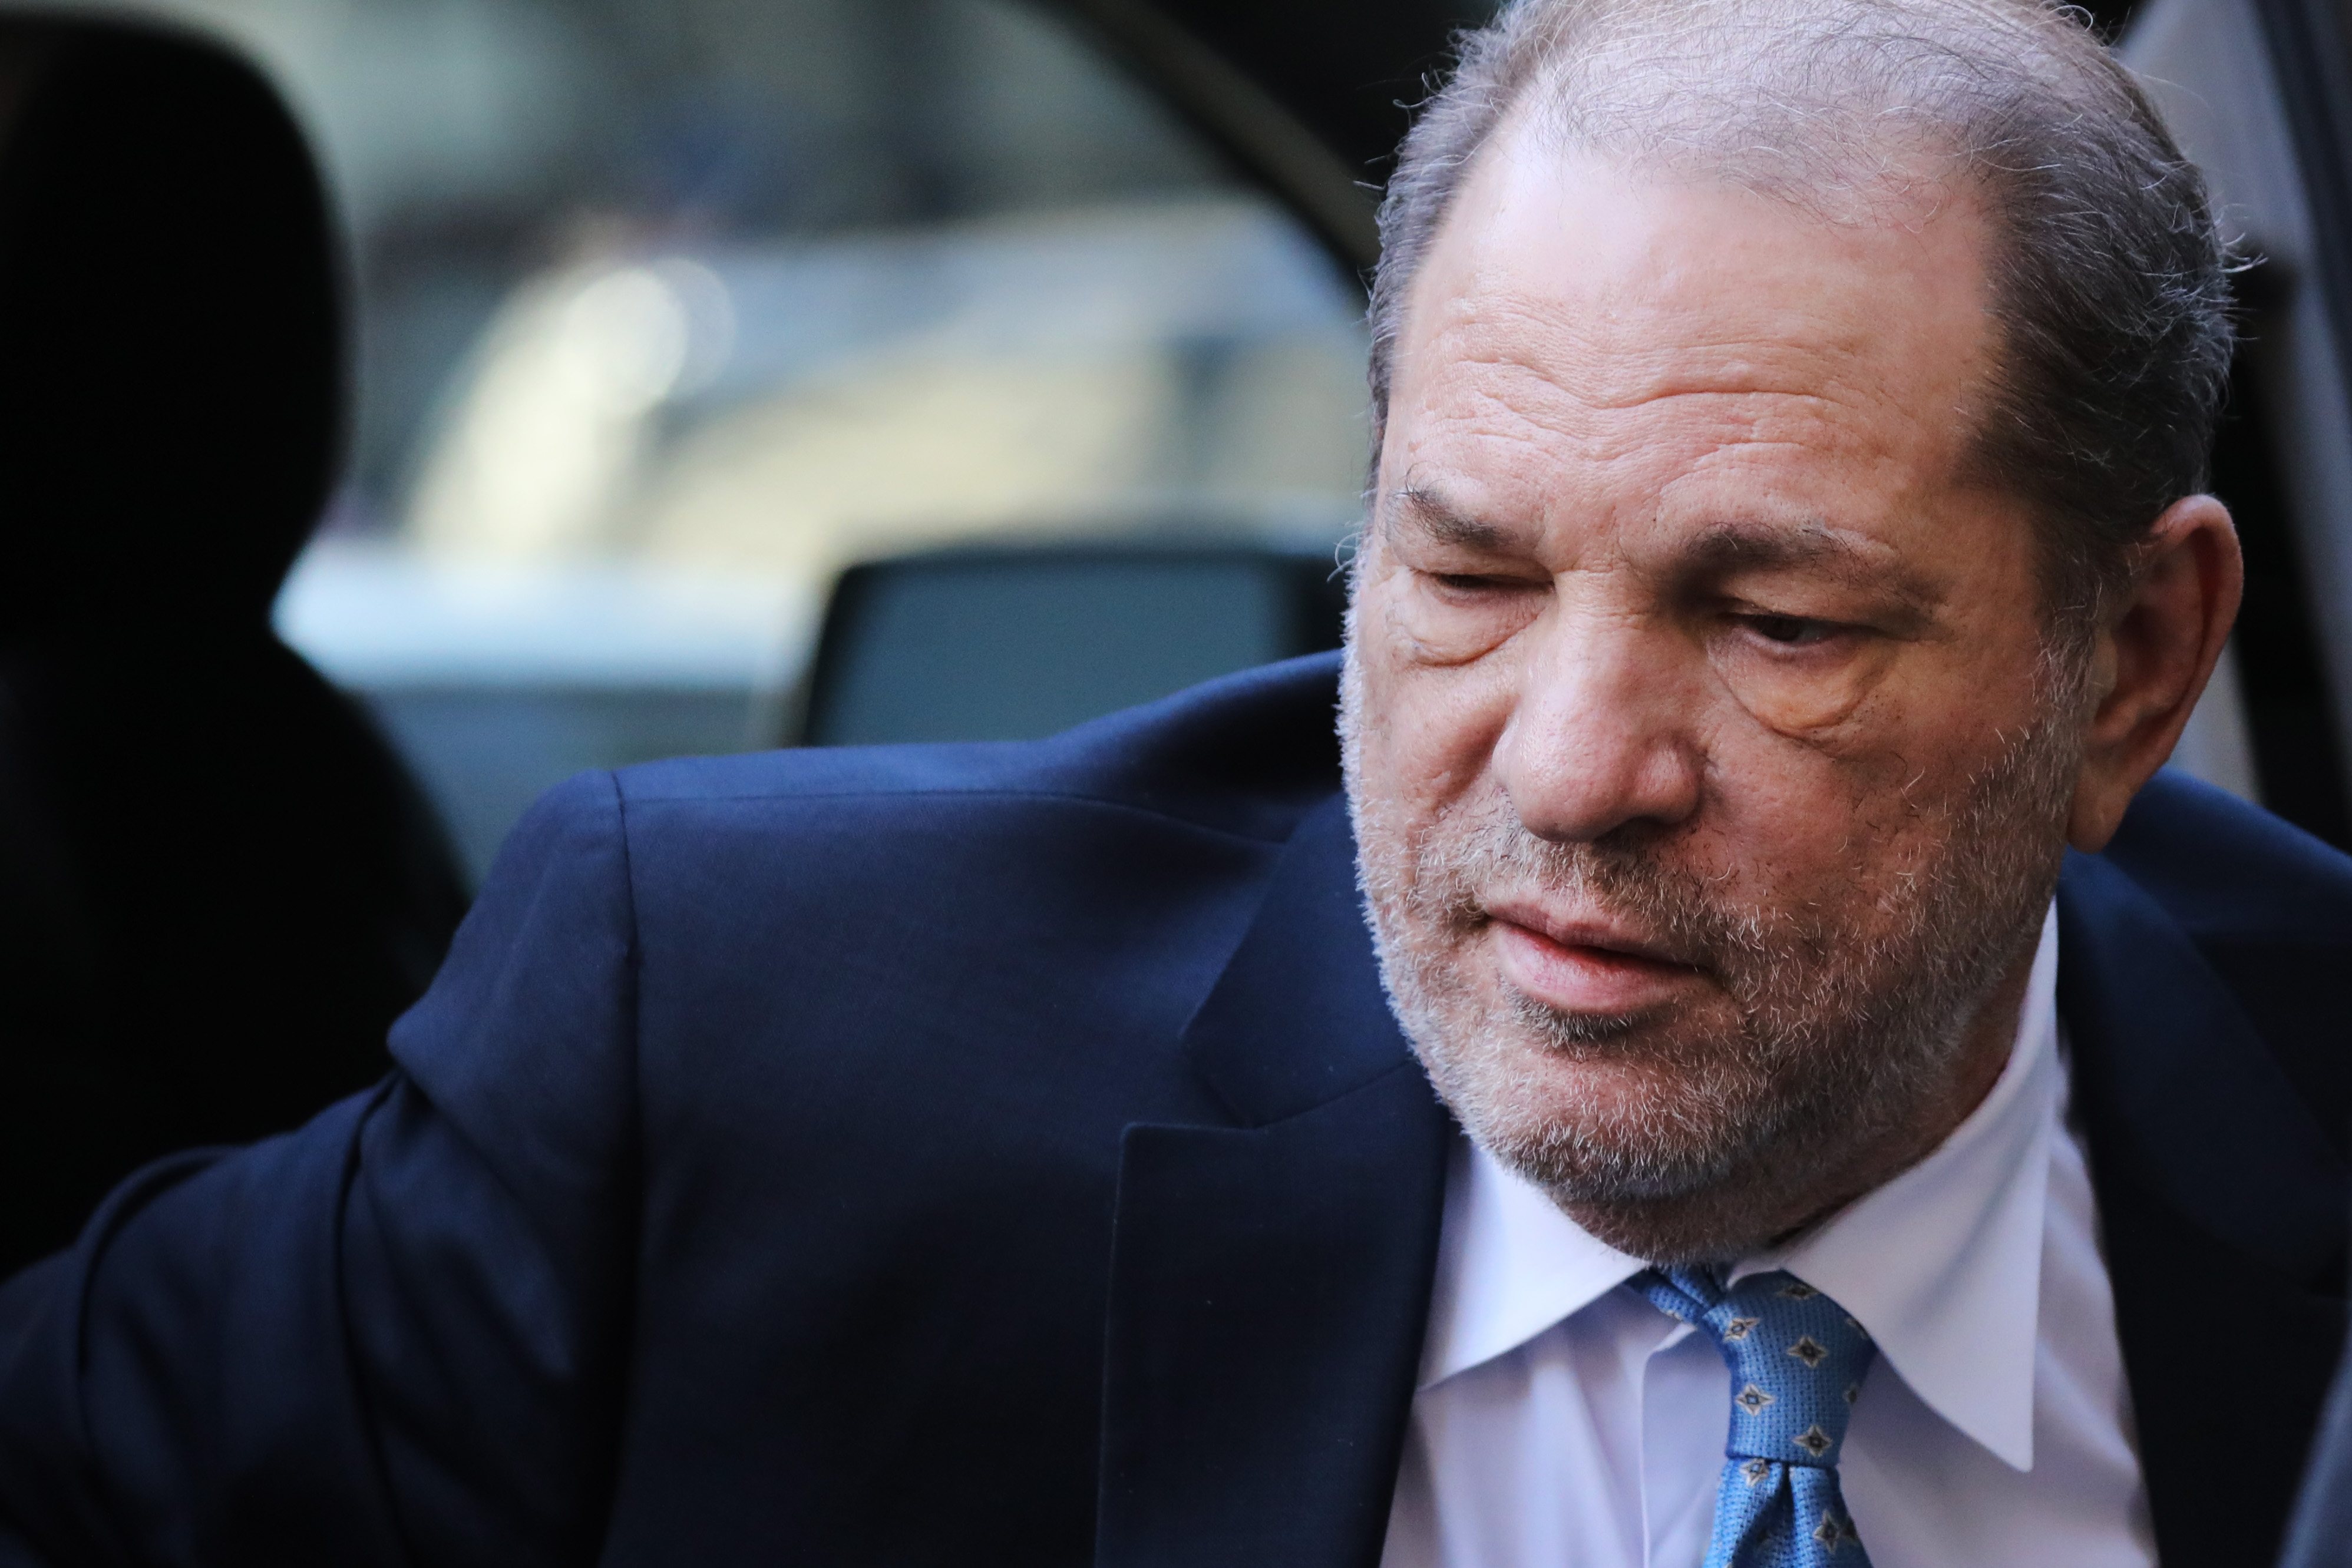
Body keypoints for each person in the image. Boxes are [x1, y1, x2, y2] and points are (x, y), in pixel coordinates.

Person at [2, 0, 2345, 1564]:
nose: (1564, 765)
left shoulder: (2306, 1095)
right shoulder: (740, 1053)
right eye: (1463, 575)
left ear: (2130, 665)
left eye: (1773, 625)